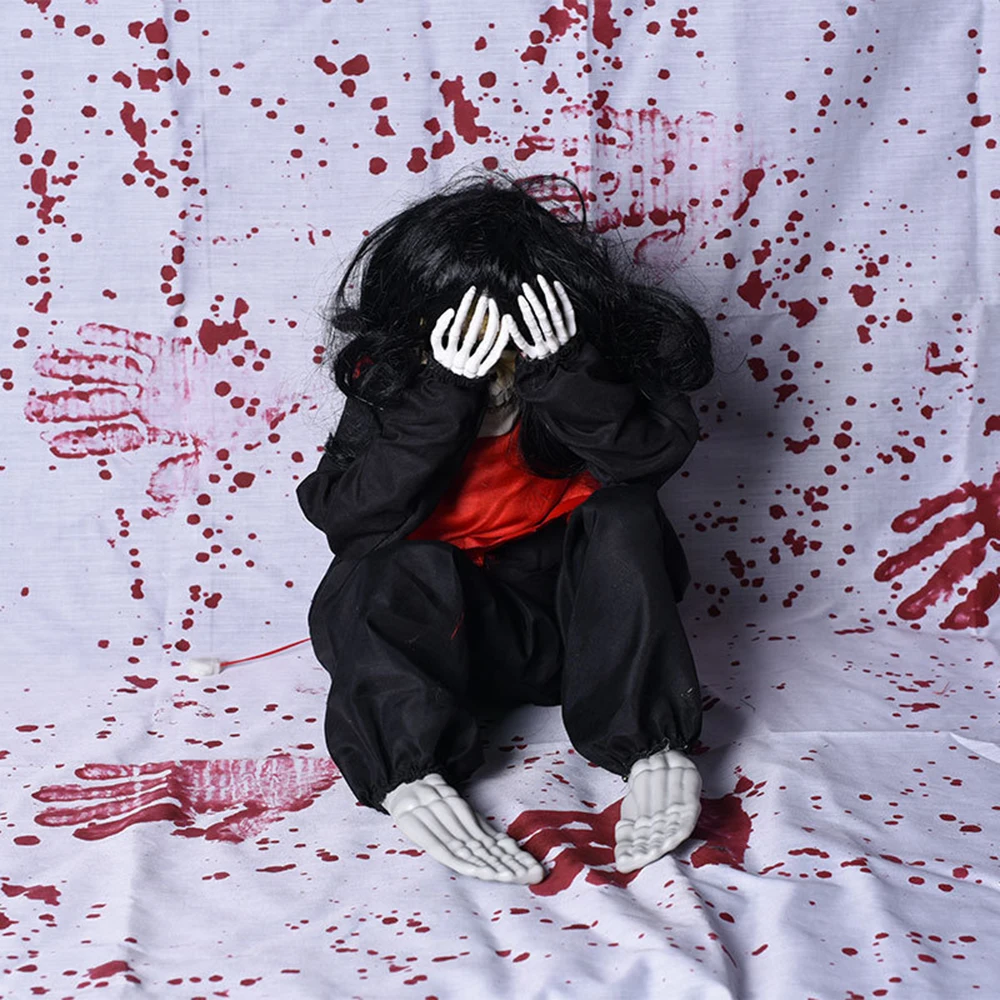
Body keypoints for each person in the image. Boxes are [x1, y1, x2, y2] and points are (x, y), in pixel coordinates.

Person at [297, 175, 713, 884]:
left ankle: (647, 743)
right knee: (385, 564)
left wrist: (566, 375)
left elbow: (648, 463)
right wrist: (442, 398)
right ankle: (412, 766)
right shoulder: (396, 381)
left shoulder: (583, 363)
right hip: (444, 645)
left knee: (623, 512)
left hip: (575, 635)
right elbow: (347, 521)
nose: (493, 356)